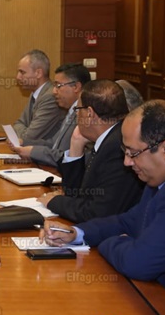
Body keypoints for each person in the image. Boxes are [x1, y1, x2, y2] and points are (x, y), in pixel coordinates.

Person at [42, 100, 165, 313]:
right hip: (149, 294)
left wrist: (111, 242)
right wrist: (77, 233)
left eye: (132, 153)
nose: (127, 162)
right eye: (124, 151)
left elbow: (138, 263)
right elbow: (130, 220)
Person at [37, 80, 143, 221]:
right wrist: (76, 146)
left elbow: (96, 213)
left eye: (77, 109)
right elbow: (77, 195)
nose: (76, 115)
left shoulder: (117, 147)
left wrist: (54, 202)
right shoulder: (111, 137)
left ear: (89, 114)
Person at [10, 63, 91, 167]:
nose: (54, 91)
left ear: (76, 87)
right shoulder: (71, 111)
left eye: (58, 86)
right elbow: (53, 143)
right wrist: (24, 142)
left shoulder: (85, 116)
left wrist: (33, 152)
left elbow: (66, 156)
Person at [12, 49, 66, 144]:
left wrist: (23, 132)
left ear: (38, 73)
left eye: (22, 72)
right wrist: (23, 131)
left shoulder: (50, 97)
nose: (18, 77)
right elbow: (18, 123)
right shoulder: (35, 94)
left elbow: (29, 137)